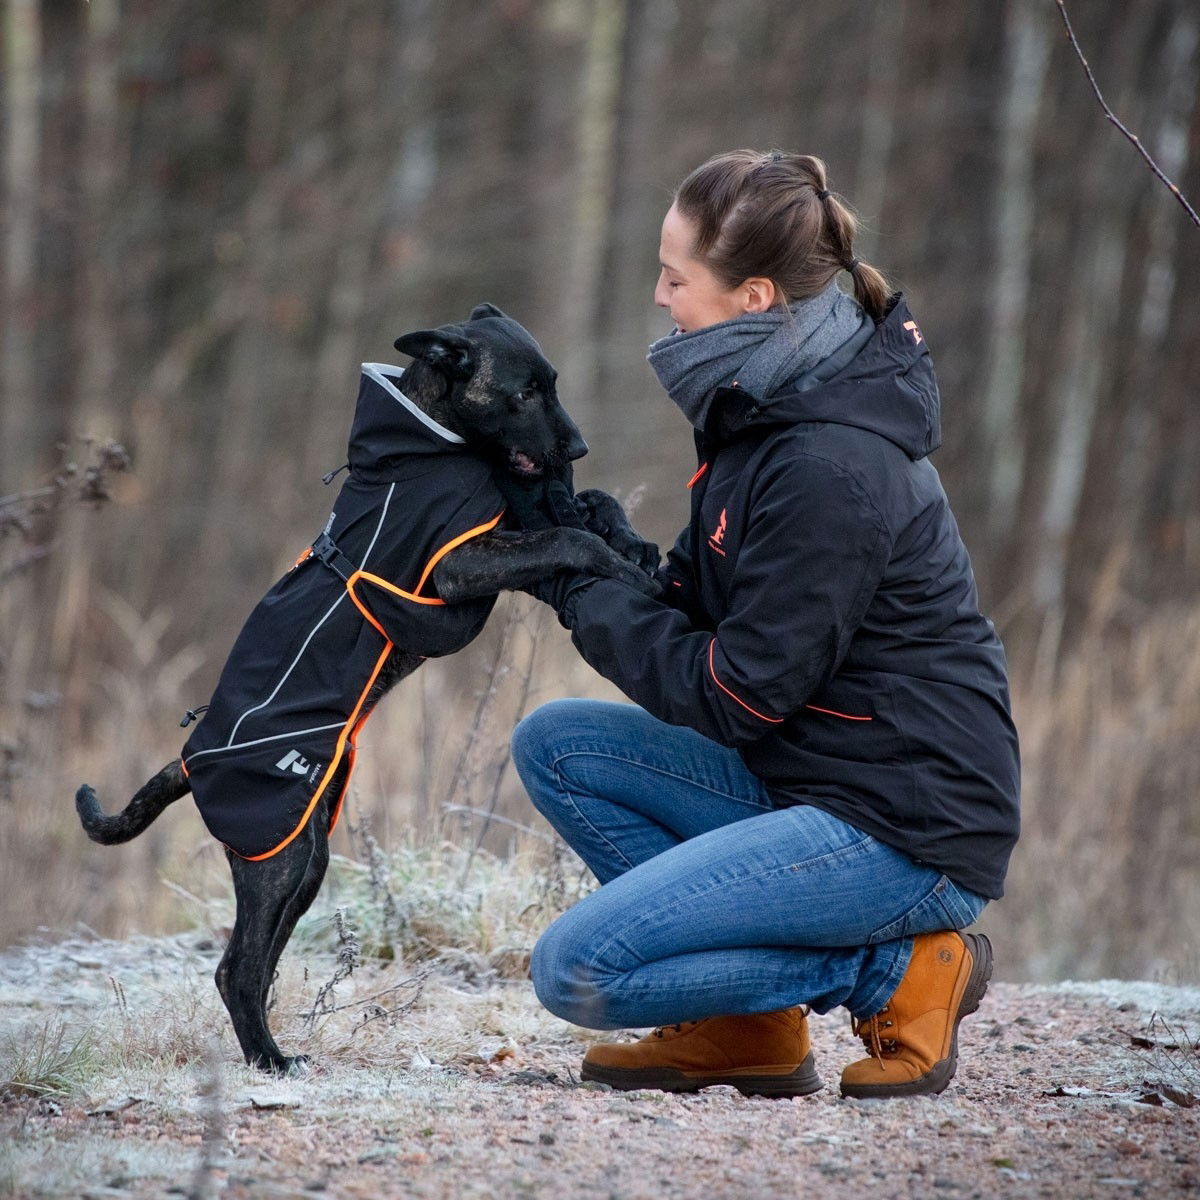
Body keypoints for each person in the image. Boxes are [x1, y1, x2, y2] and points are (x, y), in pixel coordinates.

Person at [510, 150, 1020, 1100]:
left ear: (752, 297)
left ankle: (901, 970)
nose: (659, 296)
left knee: (577, 970)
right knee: (558, 746)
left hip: (905, 830)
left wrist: (579, 592)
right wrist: (580, 542)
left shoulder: (830, 466)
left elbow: (734, 695)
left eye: (675, 278)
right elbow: (697, 608)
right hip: (812, 778)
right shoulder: (764, 409)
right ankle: (746, 1031)